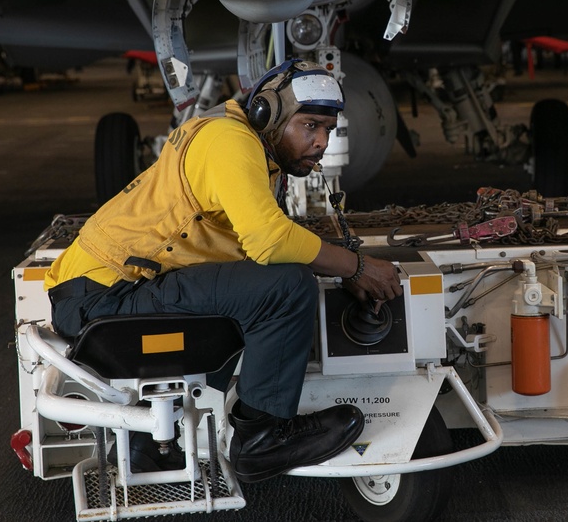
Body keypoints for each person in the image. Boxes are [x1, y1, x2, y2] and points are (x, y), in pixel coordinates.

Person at [44, 58, 403, 482]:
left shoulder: (244, 144)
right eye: (310, 126)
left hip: (110, 290)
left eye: (328, 128)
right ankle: (262, 436)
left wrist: (335, 260)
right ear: (268, 114)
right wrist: (355, 267)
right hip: (104, 297)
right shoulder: (230, 142)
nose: (322, 141)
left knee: (249, 289)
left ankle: (149, 447)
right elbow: (269, 241)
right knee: (287, 287)